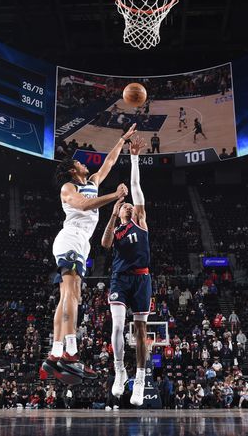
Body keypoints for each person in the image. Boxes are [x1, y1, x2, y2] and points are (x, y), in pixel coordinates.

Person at [41, 124, 136, 385]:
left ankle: (55, 353)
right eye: (80, 164)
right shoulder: (68, 188)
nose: (85, 165)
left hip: (82, 243)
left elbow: (109, 162)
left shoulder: (92, 182)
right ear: (73, 170)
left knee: (71, 296)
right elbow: (83, 206)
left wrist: (122, 140)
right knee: (70, 294)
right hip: (70, 238)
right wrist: (114, 196)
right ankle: (71, 350)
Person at [101, 136, 152, 407]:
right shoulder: (117, 229)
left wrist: (134, 157)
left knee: (141, 332)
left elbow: (135, 186)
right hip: (120, 279)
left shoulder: (140, 221)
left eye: (131, 205)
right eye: (125, 206)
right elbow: (105, 244)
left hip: (142, 278)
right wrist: (111, 213)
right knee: (118, 326)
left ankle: (141, 378)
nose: (129, 206)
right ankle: (120, 370)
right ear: (120, 211)